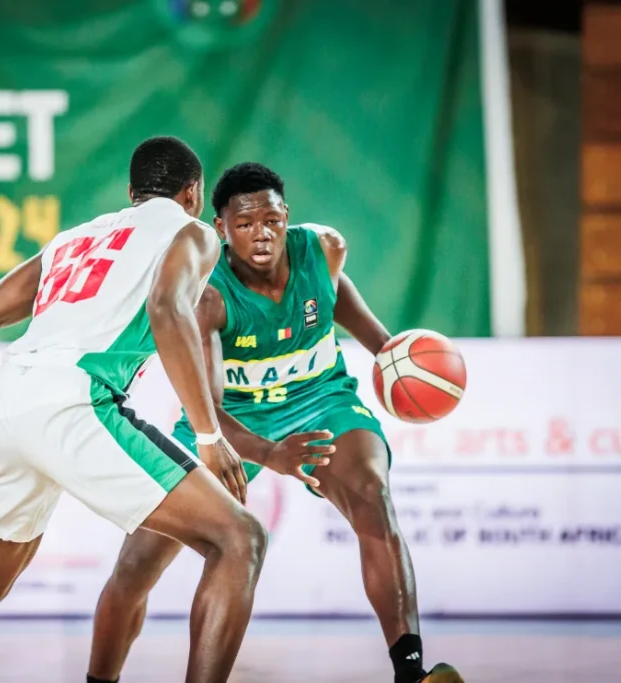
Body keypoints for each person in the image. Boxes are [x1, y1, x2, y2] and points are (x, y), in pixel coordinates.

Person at [0, 140, 306, 683]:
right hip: (76, 398)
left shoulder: (74, 238)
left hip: (11, 401)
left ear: (131, 194)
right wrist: (208, 432)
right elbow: (166, 308)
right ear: (193, 194)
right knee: (240, 539)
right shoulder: (192, 231)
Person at [88, 163, 463, 683]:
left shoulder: (325, 249)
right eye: (244, 225)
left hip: (322, 400)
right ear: (221, 230)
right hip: (231, 423)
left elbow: (332, 294)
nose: (260, 233)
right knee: (136, 565)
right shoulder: (208, 296)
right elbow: (210, 413)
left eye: (271, 219)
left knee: (373, 497)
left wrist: (387, 351)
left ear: (287, 216)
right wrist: (270, 454)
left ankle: (411, 672)